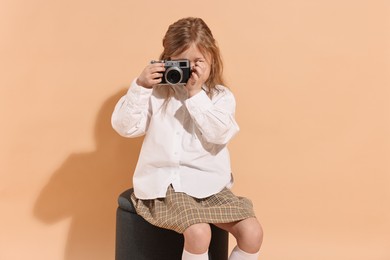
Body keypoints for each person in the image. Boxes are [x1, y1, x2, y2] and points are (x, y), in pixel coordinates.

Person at [112, 17, 263, 260]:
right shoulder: (157, 94)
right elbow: (125, 127)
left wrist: (195, 94)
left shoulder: (220, 97)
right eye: (182, 63)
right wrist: (141, 86)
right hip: (165, 186)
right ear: (167, 60)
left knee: (253, 232)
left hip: (208, 186)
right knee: (199, 232)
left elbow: (219, 134)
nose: (190, 69)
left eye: (197, 62)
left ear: (212, 59)